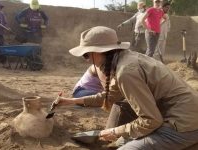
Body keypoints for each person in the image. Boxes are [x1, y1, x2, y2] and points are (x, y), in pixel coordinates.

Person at [56, 26, 198, 149]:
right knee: (123, 110)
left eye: (86, 55)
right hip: (176, 114)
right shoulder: (123, 59)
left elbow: (151, 120)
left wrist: (115, 132)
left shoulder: (126, 72)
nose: (86, 60)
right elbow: (108, 97)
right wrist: (71, 101)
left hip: (185, 125)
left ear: (100, 51)